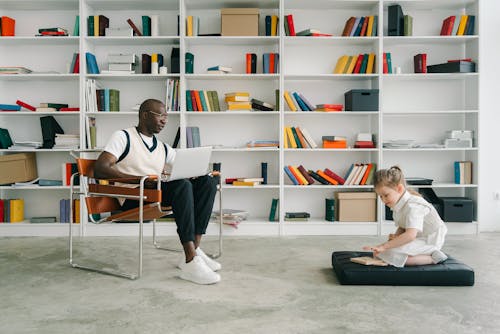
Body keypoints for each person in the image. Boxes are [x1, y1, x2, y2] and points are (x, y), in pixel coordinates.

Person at [94, 98, 221, 285]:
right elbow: (101, 167)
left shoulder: (161, 147)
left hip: (155, 193)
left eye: (166, 117)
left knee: (208, 182)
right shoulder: (123, 137)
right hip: (133, 197)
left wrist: (201, 173)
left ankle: (194, 250)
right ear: (145, 115)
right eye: (160, 115)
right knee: (182, 186)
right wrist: (142, 181)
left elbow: (183, 165)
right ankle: (190, 259)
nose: (164, 120)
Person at [363, 166, 448, 267]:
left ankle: (433, 257)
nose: (383, 200)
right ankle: (425, 253)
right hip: (416, 237)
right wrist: (395, 238)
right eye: (380, 196)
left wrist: (384, 246)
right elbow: (403, 226)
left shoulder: (413, 207)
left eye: (386, 195)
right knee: (380, 254)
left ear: (399, 188)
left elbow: (410, 235)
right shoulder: (398, 204)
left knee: (388, 253)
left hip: (430, 240)